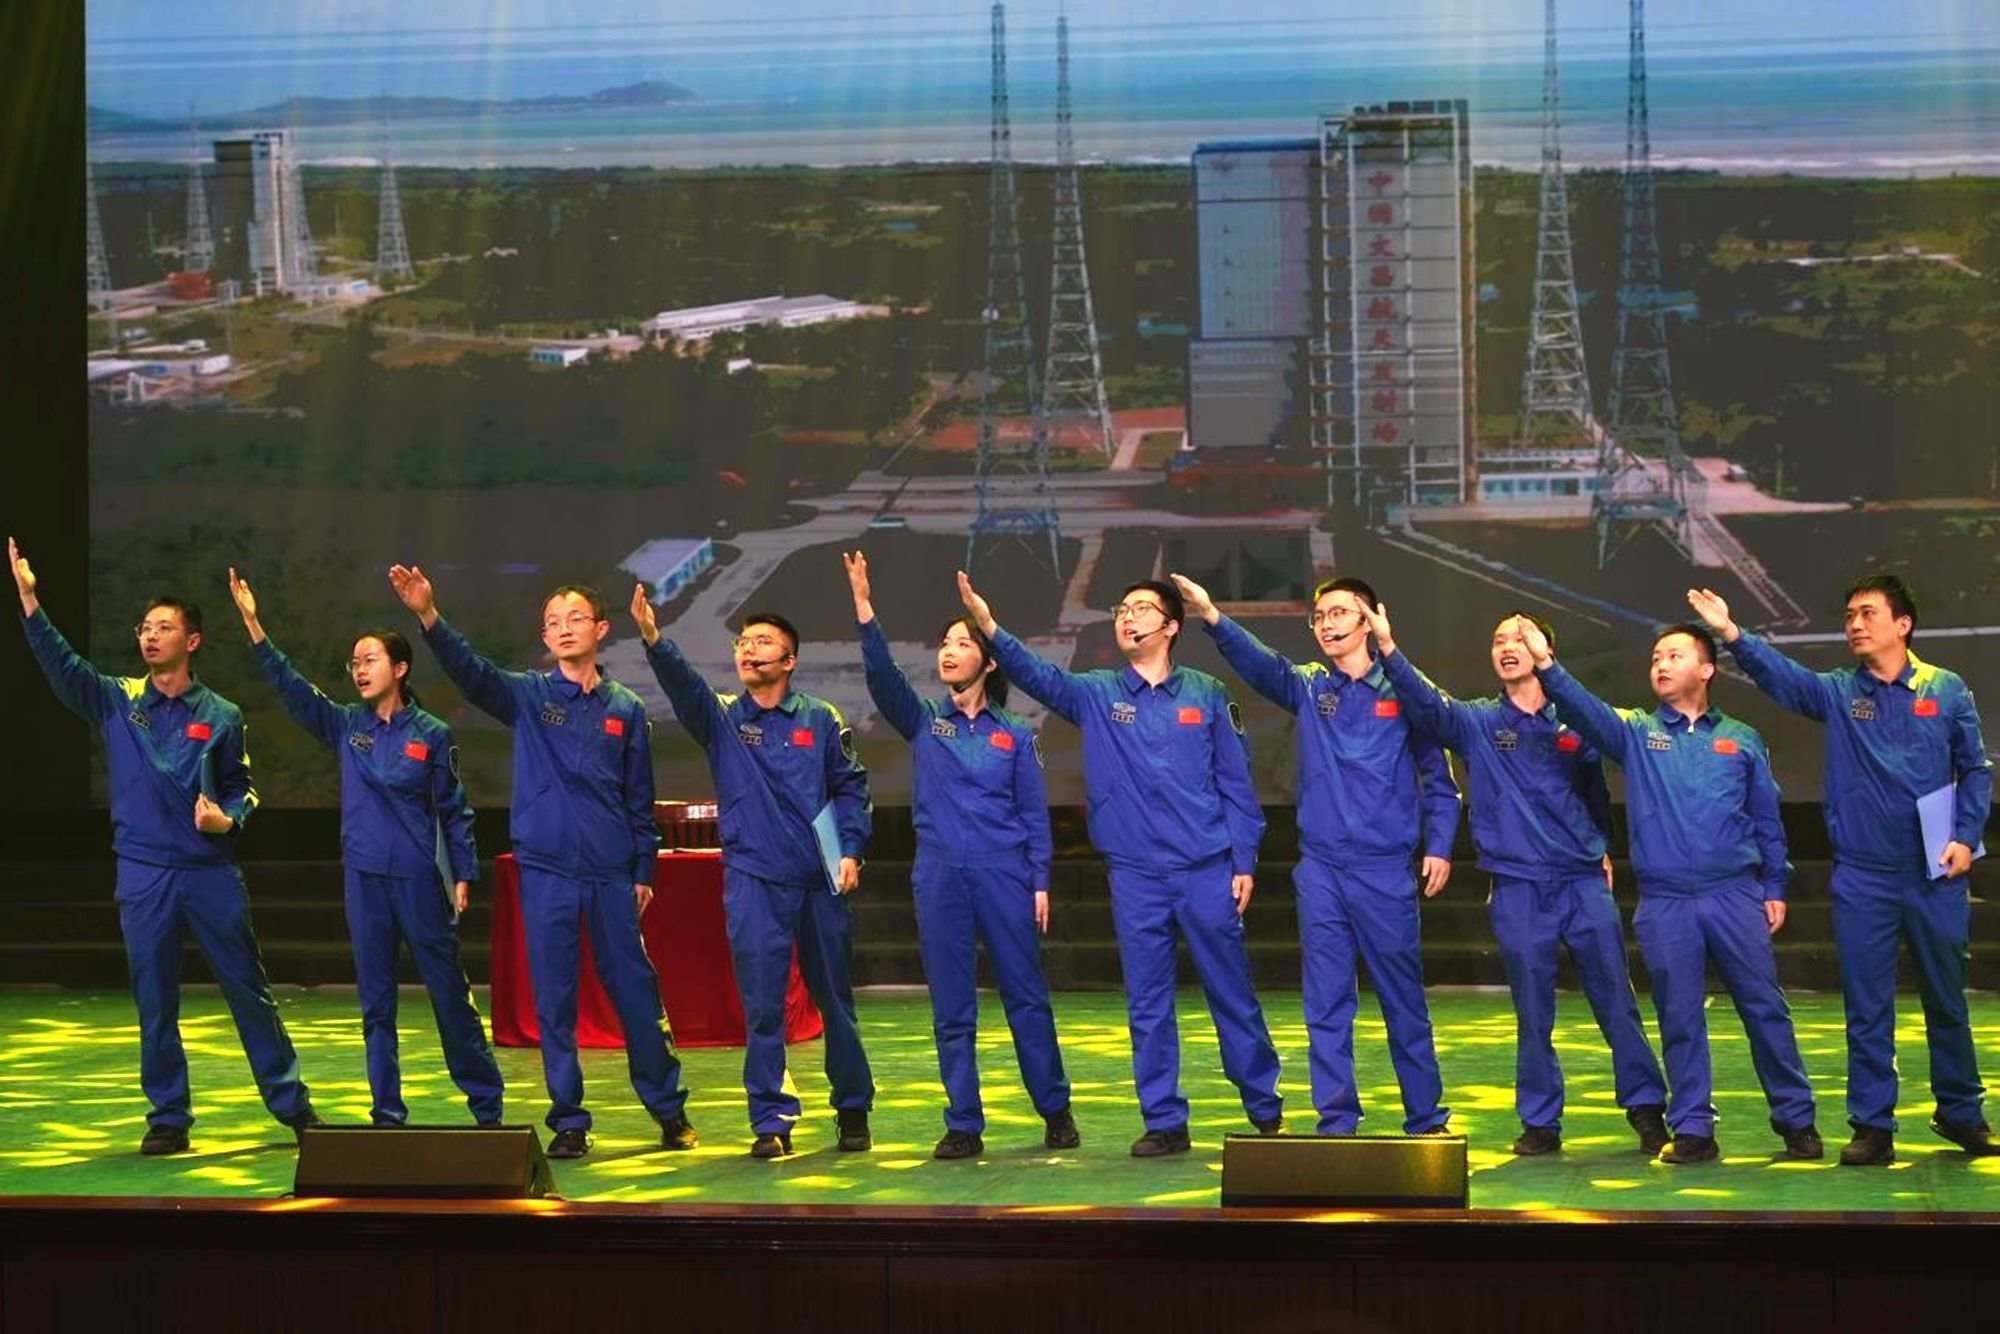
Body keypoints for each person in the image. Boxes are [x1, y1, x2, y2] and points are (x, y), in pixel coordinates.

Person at [957, 570, 1282, 1158]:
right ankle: (1164, 1119)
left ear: (1171, 626)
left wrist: (1244, 859)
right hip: (1135, 874)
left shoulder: (1206, 694)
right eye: (1120, 609)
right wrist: (990, 627)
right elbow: (1038, 675)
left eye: (1139, 608)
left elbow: (1236, 784)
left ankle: (1264, 1106)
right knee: (1147, 1002)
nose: (1126, 617)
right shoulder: (1097, 693)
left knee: (1232, 991)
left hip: (1205, 867)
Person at [11, 537, 318, 1154]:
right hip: (144, 873)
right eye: (144, 629)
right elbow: (64, 666)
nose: (150, 637)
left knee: (248, 992)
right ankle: (169, 1118)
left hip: (210, 872)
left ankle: (294, 1108)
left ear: (192, 640)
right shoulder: (118, 700)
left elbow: (242, 788)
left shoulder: (223, 714)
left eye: (163, 628)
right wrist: (30, 600)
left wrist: (228, 821)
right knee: (155, 1000)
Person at [387, 565, 694, 1159]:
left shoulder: (626, 709)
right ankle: (569, 1120)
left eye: (576, 618)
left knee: (636, 993)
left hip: (610, 873)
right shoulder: (529, 696)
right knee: (554, 999)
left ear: (601, 629)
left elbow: (639, 799)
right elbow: (472, 674)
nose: (564, 628)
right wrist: (428, 615)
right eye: (553, 622)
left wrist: (643, 871)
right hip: (546, 871)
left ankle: (668, 1108)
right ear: (545, 637)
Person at [1689, 577, 1994, 1164]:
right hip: (1863, 875)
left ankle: (1961, 1112)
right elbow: (1783, 678)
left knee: (1947, 1000)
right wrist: (1730, 633)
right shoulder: (1838, 691)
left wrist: (1965, 836)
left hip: (1934, 871)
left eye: (1867, 613)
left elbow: (1975, 769)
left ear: (1903, 624)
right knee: (1867, 1005)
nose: (1854, 623)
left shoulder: (1945, 688)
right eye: (1849, 614)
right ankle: (1872, 1126)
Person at [1359, 601, 1669, 1156]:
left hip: (1581, 882)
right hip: (1519, 886)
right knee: (1532, 1010)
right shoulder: (1478, 722)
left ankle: (1646, 1108)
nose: (1507, 647)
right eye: (1499, 640)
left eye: (1519, 639)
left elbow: (1597, 794)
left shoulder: (1577, 721)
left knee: (1616, 1003)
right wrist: (1387, 646)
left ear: (1545, 652)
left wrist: (1600, 848)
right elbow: (1427, 705)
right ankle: (1541, 1120)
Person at [1523, 616, 1821, 1164]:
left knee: (1765, 1011)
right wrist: (1546, 663)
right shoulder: (1637, 733)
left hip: (1734, 894)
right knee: (1680, 1017)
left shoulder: (1742, 739)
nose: (1660, 664)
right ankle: (1693, 1128)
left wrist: (1775, 884)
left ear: (1706, 669)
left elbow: (1766, 819)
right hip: (1666, 901)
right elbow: (1585, 711)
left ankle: (1796, 1119)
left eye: (1674, 655)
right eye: (1656, 657)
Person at [1173, 573, 1459, 1138]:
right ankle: (1336, 1120)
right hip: (1322, 870)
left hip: (1384, 871)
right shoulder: (1309, 686)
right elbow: (1262, 666)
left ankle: (1426, 1119)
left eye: (1339, 613)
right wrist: (1212, 616)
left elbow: (1441, 780)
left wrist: (1442, 845)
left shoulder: (1404, 689)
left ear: (1370, 620)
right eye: (1320, 616)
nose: (1326, 624)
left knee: (1403, 1001)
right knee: (1326, 1004)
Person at [229, 568, 504, 1129]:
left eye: (370, 659)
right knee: (376, 1004)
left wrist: (462, 873)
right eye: (354, 662)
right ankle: (387, 1114)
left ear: (399, 668)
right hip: (364, 880)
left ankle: (487, 1108)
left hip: (419, 881)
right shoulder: (345, 725)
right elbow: (293, 689)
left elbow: (454, 810)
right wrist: (255, 626)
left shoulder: (431, 733)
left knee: (449, 996)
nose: (359, 669)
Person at [844, 552, 1075, 1159]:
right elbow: (884, 680)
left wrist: (1040, 880)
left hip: (1006, 875)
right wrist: (865, 610)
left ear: (988, 661)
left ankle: (1055, 1109)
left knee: (1026, 996)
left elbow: (1033, 814)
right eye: (944, 644)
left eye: (962, 643)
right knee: (952, 1006)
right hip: (940, 877)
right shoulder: (925, 722)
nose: (948, 652)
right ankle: (964, 1123)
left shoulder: (1016, 733)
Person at [631, 586, 874, 1159]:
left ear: (789, 660)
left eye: (763, 642)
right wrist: (654, 639)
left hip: (818, 881)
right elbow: (684, 687)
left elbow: (850, 788)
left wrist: (851, 850)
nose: (748, 649)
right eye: (743, 641)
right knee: (763, 1006)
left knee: (835, 1001)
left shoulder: (821, 718)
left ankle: (853, 1107)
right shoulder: (722, 719)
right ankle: (771, 1119)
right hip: (754, 880)